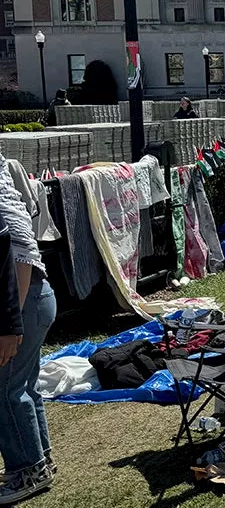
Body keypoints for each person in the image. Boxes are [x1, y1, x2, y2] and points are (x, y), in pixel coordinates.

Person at [0, 150, 56, 503]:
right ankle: (41, 459)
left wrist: (10, 326)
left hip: (26, 300)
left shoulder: (5, 212)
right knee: (23, 384)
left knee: (5, 391)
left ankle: (28, 470)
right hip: (35, 298)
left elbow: (20, 255)